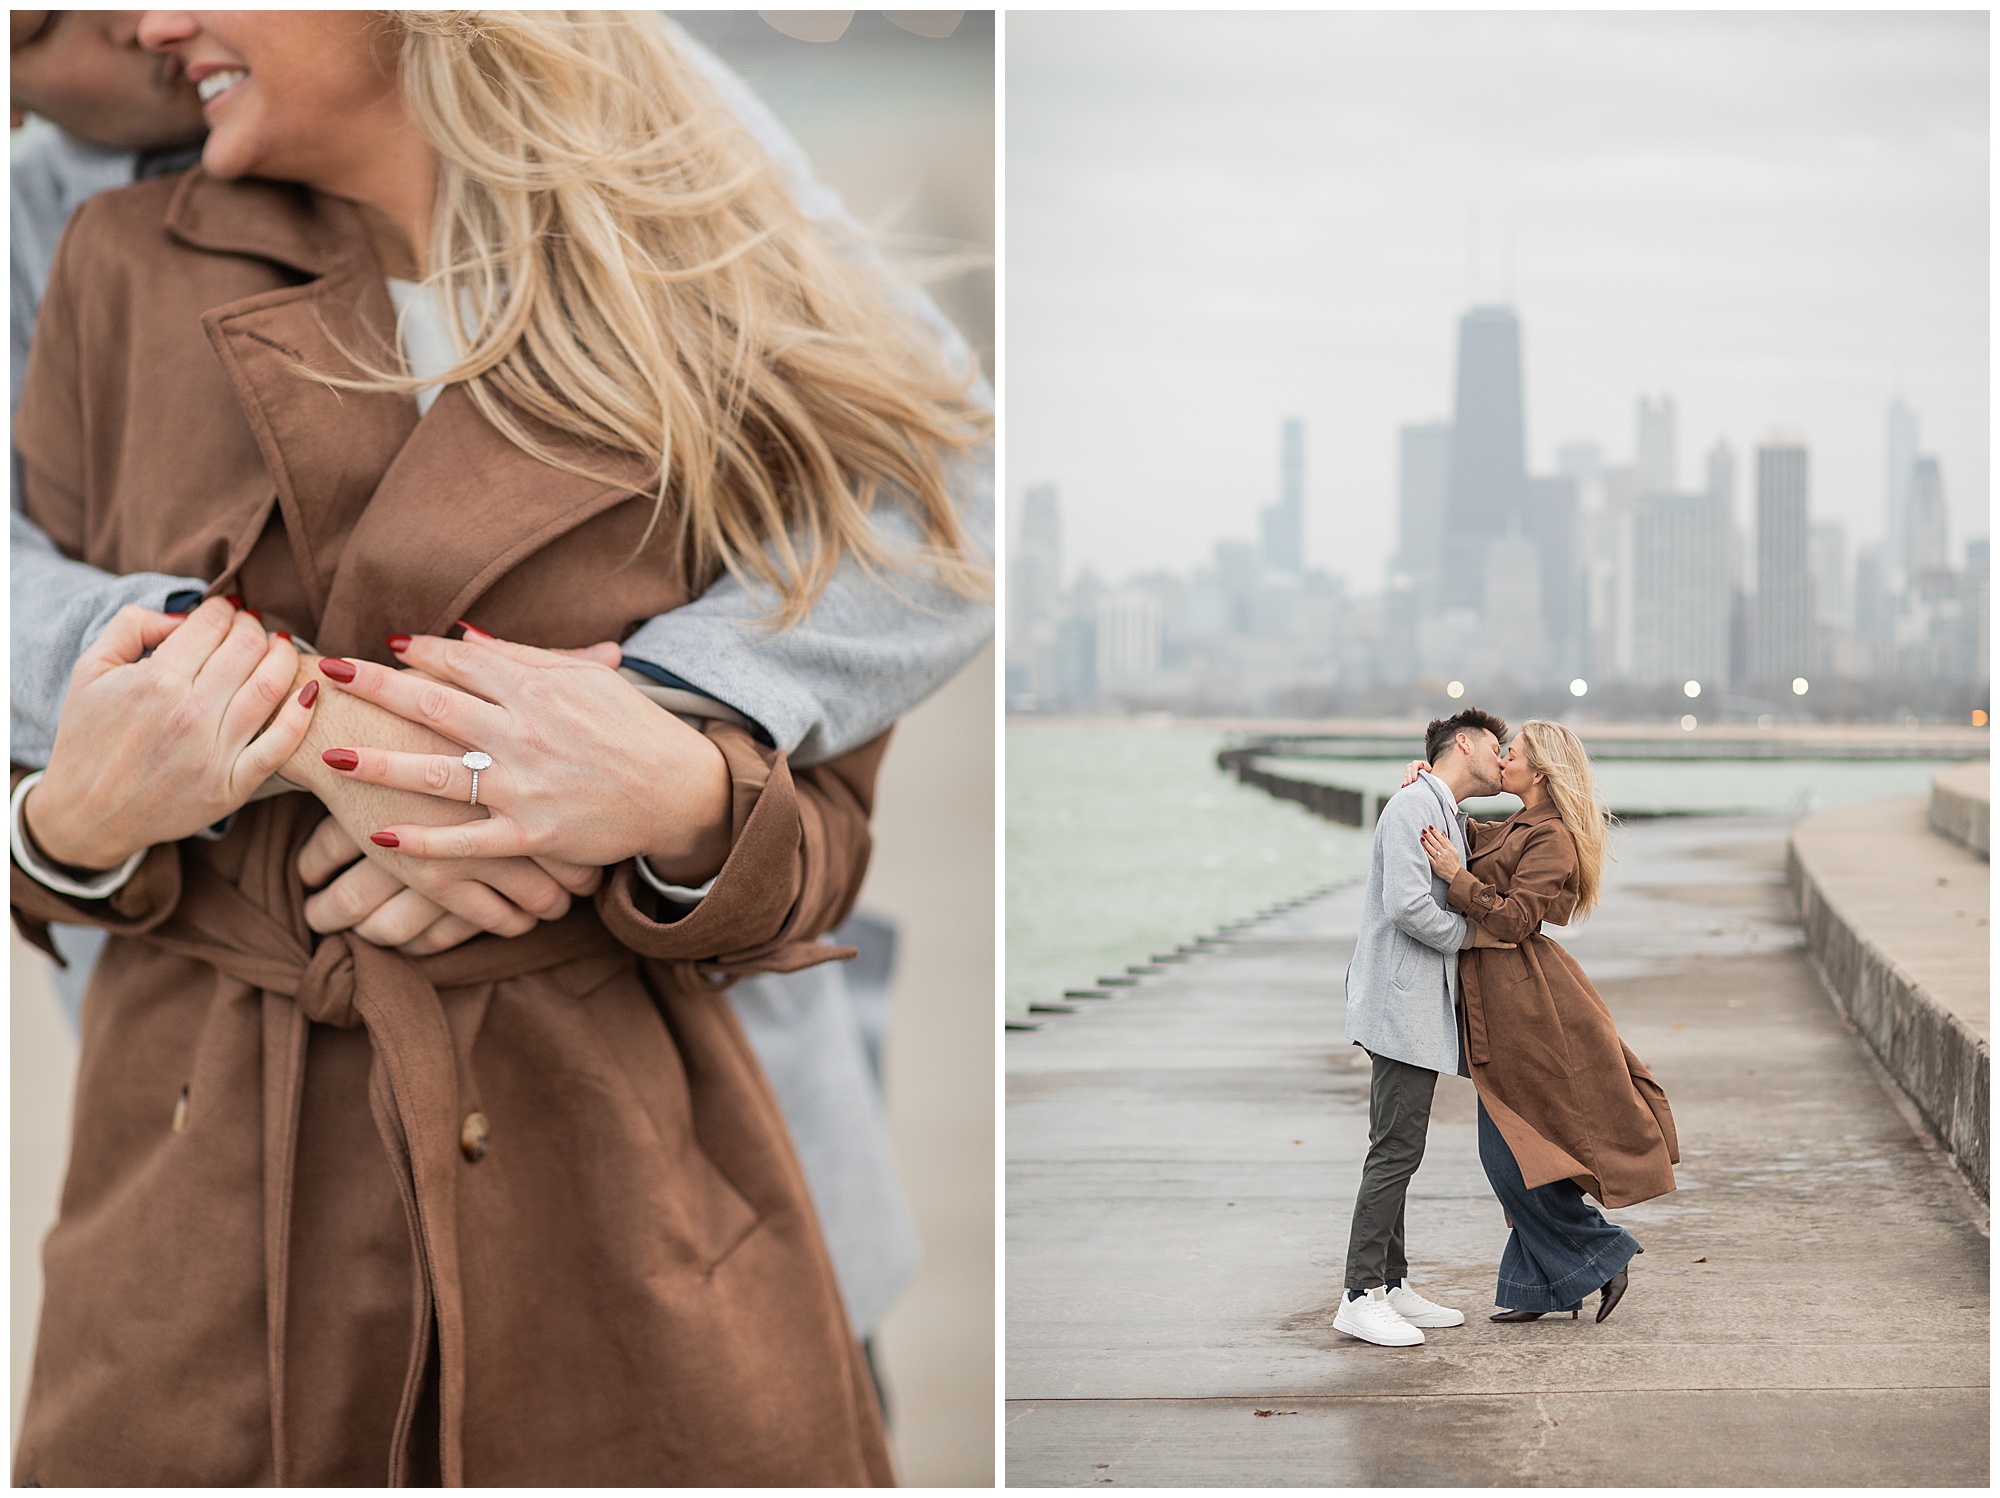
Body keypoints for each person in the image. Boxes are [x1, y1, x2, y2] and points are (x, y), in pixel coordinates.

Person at [10, 11, 990, 1484]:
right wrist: (115, 802)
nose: (135, 30)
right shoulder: (95, 245)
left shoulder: (694, 262)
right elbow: (73, 773)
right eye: (22, 41)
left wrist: (667, 771)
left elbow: (849, 731)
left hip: (649, 1209)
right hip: (203, 1228)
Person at [1415, 719, 1679, 1323]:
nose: (1502, 760)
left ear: (1540, 772)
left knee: (1508, 1149)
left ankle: (1602, 1252)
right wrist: (1425, 782)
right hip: (1499, 998)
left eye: (1513, 754)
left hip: (1525, 1005)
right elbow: (1467, 832)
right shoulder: (1517, 826)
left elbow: (1514, 920)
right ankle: (1543, 1286)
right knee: (1520, 1148)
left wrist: (1456, 878)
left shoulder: (1551, 837)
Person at [1331, 707, 1510, 1348]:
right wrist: (1474, 935)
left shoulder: (1434, 805)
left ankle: (1392, 1283)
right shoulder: (1414, 809)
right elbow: (1407, 905)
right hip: (1399, 1005)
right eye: (1497, 746)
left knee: (1398, 1147)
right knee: (1396, 1150)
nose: (1504, 757)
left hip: (1410, 1006)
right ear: (1464, 743)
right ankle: (1359, 1294)